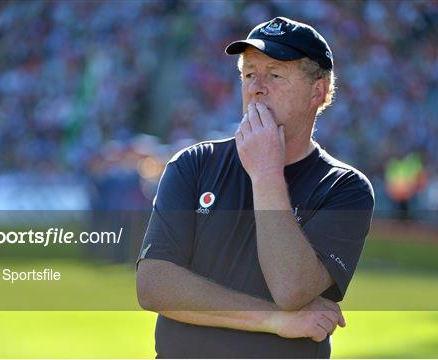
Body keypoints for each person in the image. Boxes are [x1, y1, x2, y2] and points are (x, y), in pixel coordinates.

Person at [136, 17, 374, 358]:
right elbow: (154, 286)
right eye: (248, 74)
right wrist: (275, 320)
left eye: (274, 74)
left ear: (318, 91)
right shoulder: (193, 163)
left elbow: (291, 288)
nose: (256, 87)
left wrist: (266, 173)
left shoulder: (344, 188)